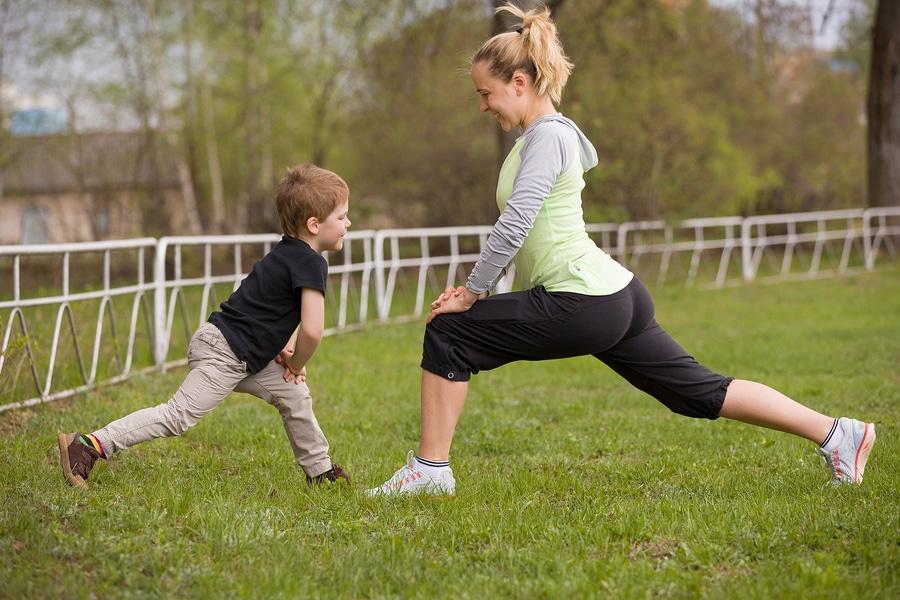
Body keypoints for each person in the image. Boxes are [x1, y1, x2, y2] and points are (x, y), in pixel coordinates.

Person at [367, 4, 876, 496]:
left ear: (519, 83)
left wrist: (473, 293)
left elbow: (515, 223)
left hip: (582, 300)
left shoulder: (547, 137)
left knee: (450, 330)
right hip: (613, 295)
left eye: (486, 93)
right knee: (698, 392)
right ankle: (839, 434)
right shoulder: (543, 137)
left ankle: (431, 471)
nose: (483, 105)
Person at [59, 164, 353, 489]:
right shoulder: (311, 262)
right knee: (177, 416)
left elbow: (280, 309)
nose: (347, 224)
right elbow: (313, 329)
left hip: (242, 351)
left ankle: (320, 472)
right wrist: (297, 363)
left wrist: (284, 348)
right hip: (224, 353)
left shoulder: (287, 252)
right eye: (341, 217)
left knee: (295, 396)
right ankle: (89, 445)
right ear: (314, 224)